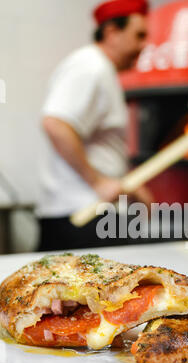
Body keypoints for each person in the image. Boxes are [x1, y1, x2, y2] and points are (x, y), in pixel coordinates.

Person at [36, 0, 152, 251]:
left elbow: (99, 149)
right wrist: (98, 182)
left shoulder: (100, 70)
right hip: (83, 216)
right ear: (111, 32)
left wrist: (128, 185)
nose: (144, 46)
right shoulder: (90, 67)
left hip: (92, 213)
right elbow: (55, 123)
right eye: (138, 36)